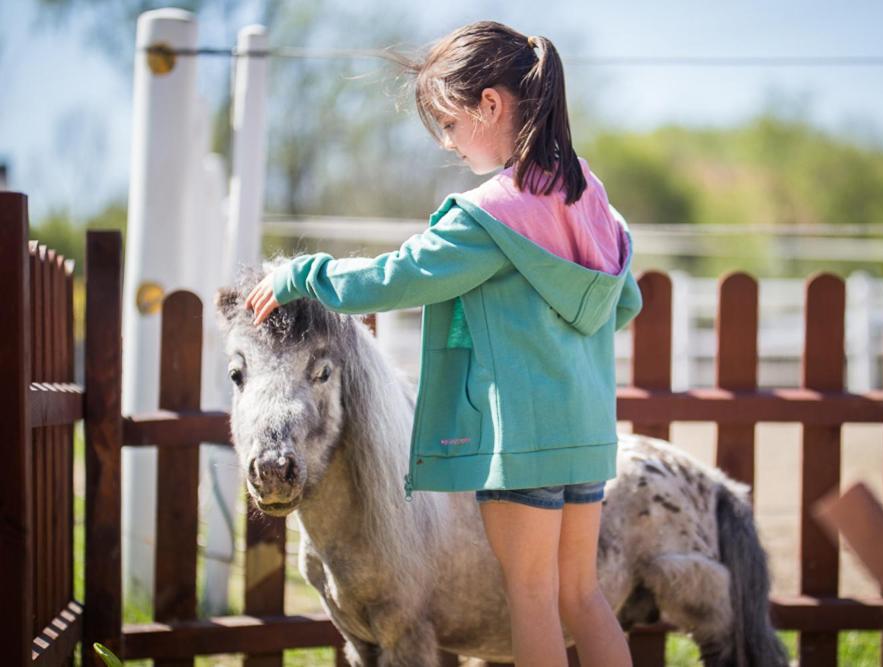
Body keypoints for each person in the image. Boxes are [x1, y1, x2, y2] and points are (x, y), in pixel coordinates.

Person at [245, 20, 640, 667]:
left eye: (451, 124)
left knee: (532, 597)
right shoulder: (590, 199)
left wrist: (302, 273)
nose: (449, 144)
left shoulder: (488, 217)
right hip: (588, 432)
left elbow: (394, 276)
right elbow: (625, 301)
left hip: (523, 440)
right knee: (581, 594)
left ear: (492, 104)